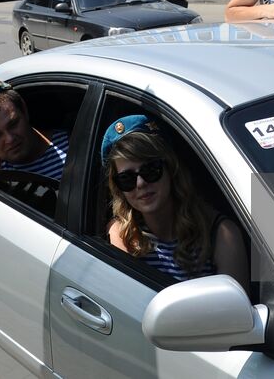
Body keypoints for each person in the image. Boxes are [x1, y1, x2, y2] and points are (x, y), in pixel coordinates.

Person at [101, 115, 248, 285]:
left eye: (151, 170)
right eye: (127, 179)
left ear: (171, 169)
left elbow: (236, 309)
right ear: (118, 188)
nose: (140, 183)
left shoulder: (220, 233)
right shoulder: (122, 233)